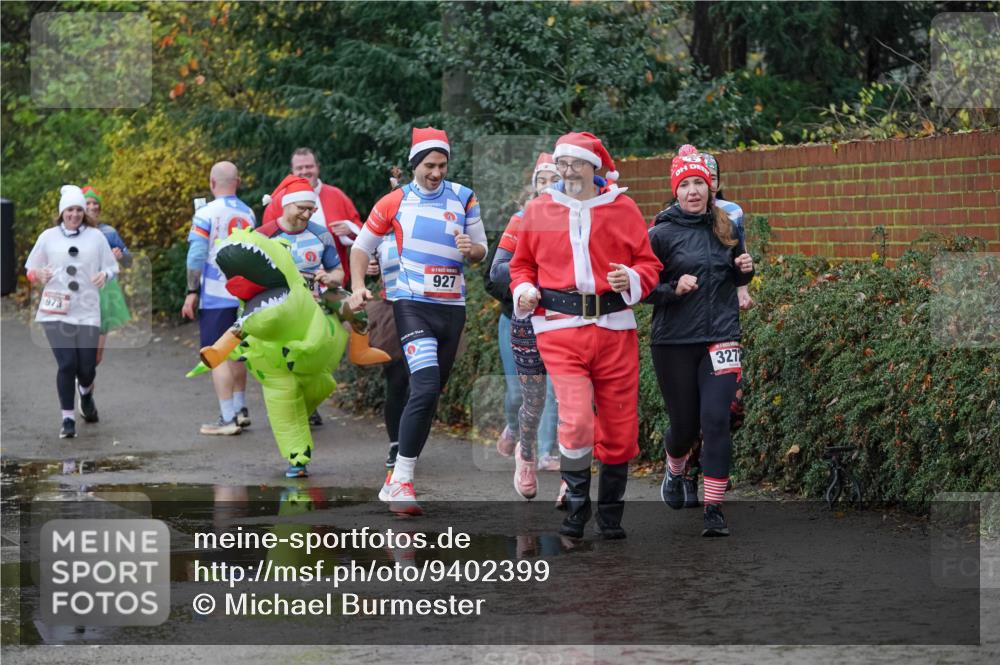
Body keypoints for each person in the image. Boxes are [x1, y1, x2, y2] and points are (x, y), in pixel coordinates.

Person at [508, 132, 662, 539]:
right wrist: (523, 290)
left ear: (594, 167)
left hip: (615, 329)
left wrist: (629, 277)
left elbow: (649, 266)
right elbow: (520, 265)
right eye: (563, 164)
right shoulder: (539, 210)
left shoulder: (623, 208)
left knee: (620, 427)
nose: (569, 171)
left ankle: (611, 514)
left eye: (576, 163)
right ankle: (577, 506)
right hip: (559, 329)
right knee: (575, 421)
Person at [348, 127, 487, 516]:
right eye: (430, 165)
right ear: (415, 165)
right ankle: (403, 478)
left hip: (452, 308)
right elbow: (362, 246)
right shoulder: (394, 201)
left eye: (442, 165)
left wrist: (470, 249)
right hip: (410, 304)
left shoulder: (464, 197)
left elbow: (480, 249)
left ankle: (397, 481)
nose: (437, 172)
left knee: (431, 394)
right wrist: (358, 284)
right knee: (422, 386)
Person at [645, 145, 755, 537]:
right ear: (675, 190)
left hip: (721, 335)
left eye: (700, 183)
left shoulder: (727, 226)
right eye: (686, 184)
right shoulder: (659, 233)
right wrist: (673, 288)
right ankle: (675, 467)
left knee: (717, 419)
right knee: (686, 427)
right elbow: (642, 289)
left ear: (711, 188)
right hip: (674, 341)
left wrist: (746, 270)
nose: (693, 190)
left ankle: (714, 509)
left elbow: (738, 276)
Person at [489, 152, 564, 500]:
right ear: (532, 187)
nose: (549, 187)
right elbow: (496, 274)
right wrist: (525, 286)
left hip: (558, 319)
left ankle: (545, 452)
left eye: (555, 180)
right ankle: (512, 428)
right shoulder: (520, 220)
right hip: (516, 318)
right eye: (543, 181)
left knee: (552, 390)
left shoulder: (570, 220)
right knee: (519, 392)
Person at [25, 185, 119, 438]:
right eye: (70, 209)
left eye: (79, 209)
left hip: (87, 309)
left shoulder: (96, 237)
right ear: (62, 212)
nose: (75, 214)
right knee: (67, 364)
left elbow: (112, 267)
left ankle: (86, 394)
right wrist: (39, 274)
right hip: (55, 309)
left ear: (84, 212)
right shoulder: (48, 237)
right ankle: (67, 420)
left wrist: (105, 274)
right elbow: (30, 269)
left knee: (87, 367)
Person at [257, 174, 345, 428]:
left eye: (312, 209)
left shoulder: (322, 235)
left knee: (310, 359)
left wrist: (329, 278)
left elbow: (338, 272)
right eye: (302, 208)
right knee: (285, 365)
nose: (307, 215)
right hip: (277, 311)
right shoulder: (264, 234)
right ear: (286, 205)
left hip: (313, 310)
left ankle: (307, 404)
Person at [181, 161, 256, 435]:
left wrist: (191, 291)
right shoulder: (249, 213)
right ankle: (240, 408)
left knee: (216, 355)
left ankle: (227, 419)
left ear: (213, 183)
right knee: (237, 352)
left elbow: (196, 255)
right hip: (245, 295)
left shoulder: (206, 213)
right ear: (238, 182)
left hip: (215, 294)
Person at [261, 148, 362, 286]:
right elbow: (266, 243)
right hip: (287, 286)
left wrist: (350, 230)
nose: (304, 171)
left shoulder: (337, 196)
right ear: (292, 171)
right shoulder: (279, 201)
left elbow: (363, 235)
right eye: (299, 168)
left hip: (332, 282)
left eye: (309, 166)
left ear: (317, 167)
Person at [81, 186, 132, 366]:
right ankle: (78, 380)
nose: (93, 207)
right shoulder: (72, 232)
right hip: (79, 293)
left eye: (96, 203)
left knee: (96, 356)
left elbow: (128, 260)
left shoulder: (109, 232)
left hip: (104, 293)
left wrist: (121, 256)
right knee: (79, 351)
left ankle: (85, 389)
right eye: (88, 203)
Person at [701, 152, 753, 310]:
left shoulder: (733, 211)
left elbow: (740, 251)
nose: (709, 185)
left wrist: (743, 290)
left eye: (713, 178)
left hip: (723, 298)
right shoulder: (670, 216)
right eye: (703, 178)